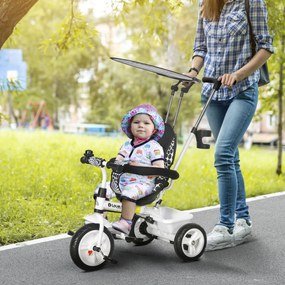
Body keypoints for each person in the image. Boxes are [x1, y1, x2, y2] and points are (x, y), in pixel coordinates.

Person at [185, 0, 274, 250]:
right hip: (212, 92)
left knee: (223, 154)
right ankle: (243, 220)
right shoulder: (206, 3)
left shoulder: (252, 2)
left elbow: (265, 47)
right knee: (231, 158)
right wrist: (192, 72)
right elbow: (200, 47)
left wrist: (238, 74)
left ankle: (225, 226)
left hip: (242, 90)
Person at [112, 104, 165, 234]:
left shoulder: (154, 147)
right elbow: (118, 158)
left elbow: (160, 168)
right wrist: (115, 162)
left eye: (146, 123)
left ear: (153, 130)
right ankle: (100, 218)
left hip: (144, 183)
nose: (141, 125)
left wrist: (140, 166)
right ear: (130, 127)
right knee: (101, 189)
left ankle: (126, 222)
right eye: (136, 122)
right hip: (122, 181)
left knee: (130, 192)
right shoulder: (126, 145)